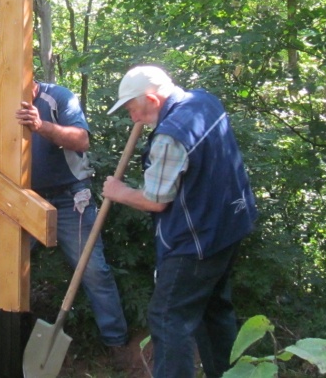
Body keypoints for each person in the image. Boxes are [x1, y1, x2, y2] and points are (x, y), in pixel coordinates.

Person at [102, 65, 258, 378]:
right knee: (213, 311)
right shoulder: (205, 101)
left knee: (168, 317)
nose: (134, 118)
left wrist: (118, 192)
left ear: (151, 98)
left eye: (134, 109)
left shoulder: (170, 137)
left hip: (197, 241)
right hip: (231, 225)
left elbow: (157, 201)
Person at [0, 62, 129, 349]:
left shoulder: (59, 98)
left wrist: (41, 126)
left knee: (92, 268)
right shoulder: (0, 111)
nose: (3, 98)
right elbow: (1, 159)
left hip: (69, 197)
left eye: (6, 90)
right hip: (23, 198)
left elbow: (82, 140)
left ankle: (116, 342)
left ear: (28, 80)